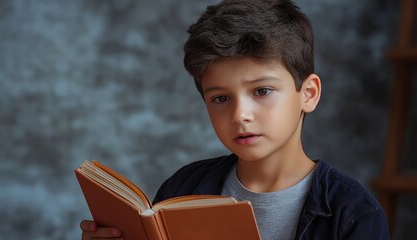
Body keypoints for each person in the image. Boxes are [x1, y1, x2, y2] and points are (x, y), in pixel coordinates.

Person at [80, 0, 390, 239]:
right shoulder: (182, 189)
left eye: (262, 90)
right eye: (221, 98)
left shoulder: (353, 214)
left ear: (307, 94)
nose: (240, 115)